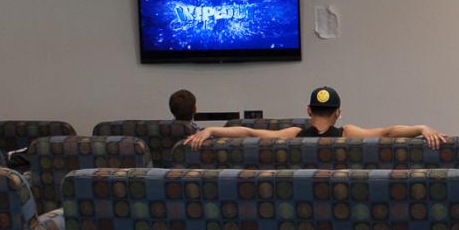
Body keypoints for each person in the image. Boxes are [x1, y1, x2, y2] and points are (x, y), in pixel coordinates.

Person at [180, 87, 445, 147]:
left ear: (308, 111)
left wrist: (212, 130)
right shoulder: (348, 133)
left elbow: (249, 132)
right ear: (338, 112)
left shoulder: (293, 135)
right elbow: (388, 132)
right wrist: (420, 127)